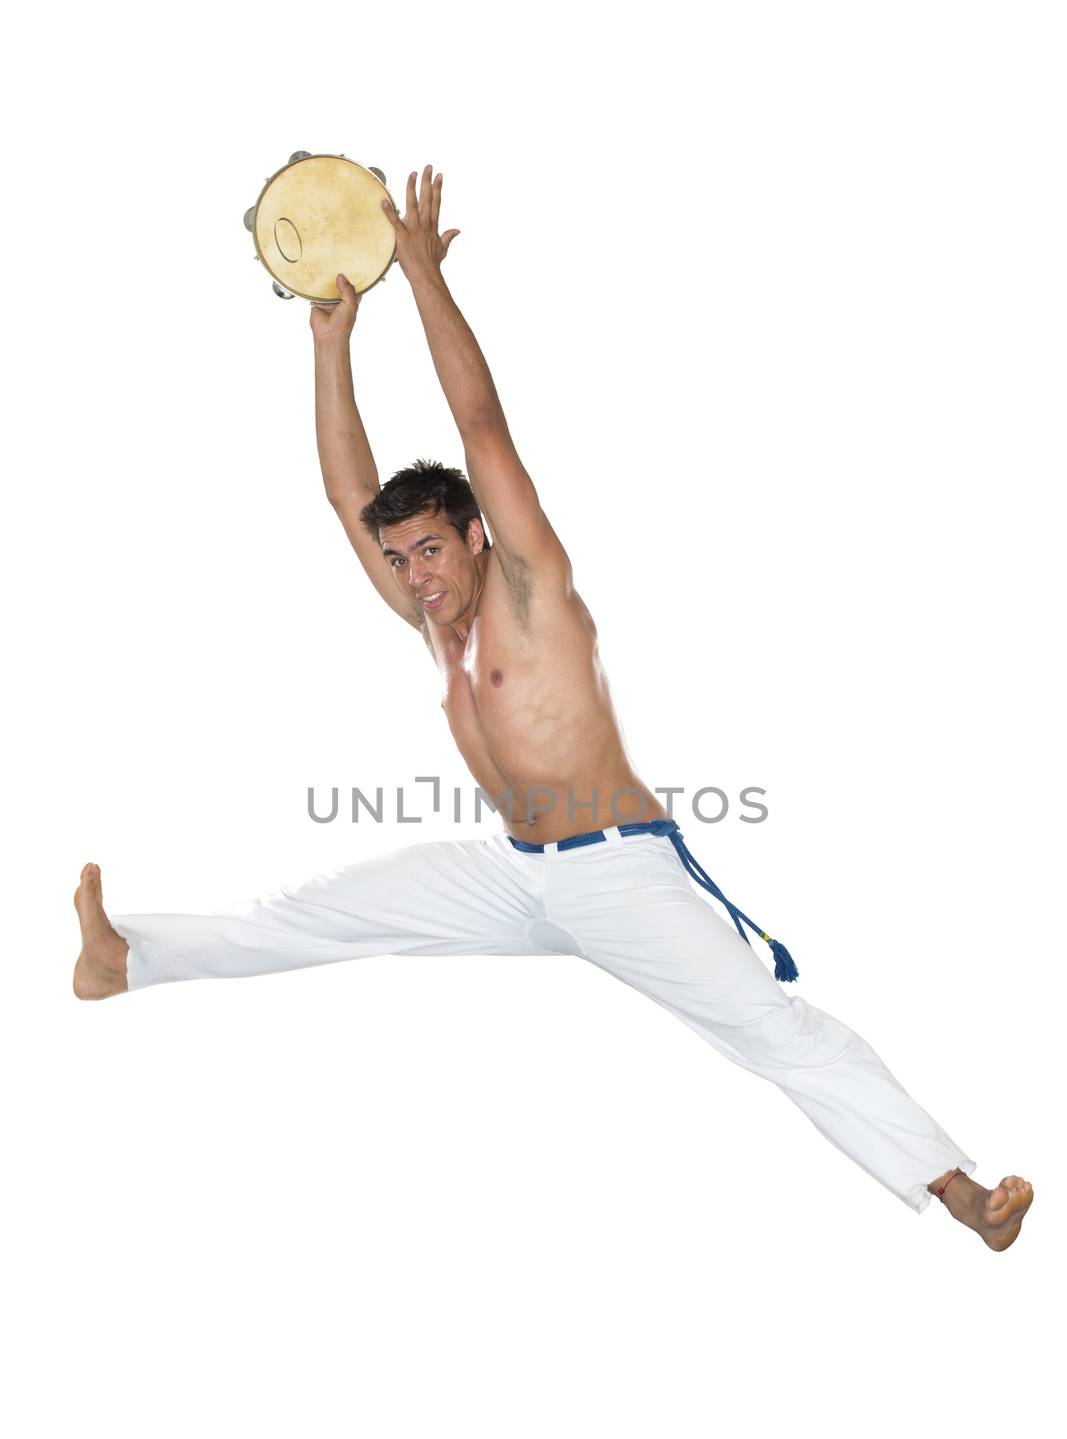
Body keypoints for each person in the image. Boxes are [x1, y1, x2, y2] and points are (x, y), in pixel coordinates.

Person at [73, 165, 1033, 1251]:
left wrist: (425, 277)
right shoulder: (433, 616)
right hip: (517, 873)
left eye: (429, 548)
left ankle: (956, 1190)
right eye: (399, 559)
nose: (414, 573)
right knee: (315, 912)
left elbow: (480, 427)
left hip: (618, 870)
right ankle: (124, 961)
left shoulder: (530, 585)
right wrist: (329, 345)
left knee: (769, 1030)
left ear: (477, 534)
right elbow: (350, 496)